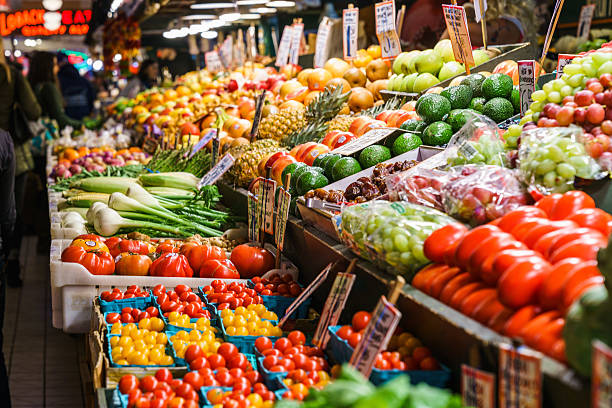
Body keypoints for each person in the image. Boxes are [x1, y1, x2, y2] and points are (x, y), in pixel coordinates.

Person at [0, 41, 41, 407]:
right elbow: (33, 109)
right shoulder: (11, 74)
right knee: (8, 208)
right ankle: (11, 259)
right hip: (5, 148)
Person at [28, 51, 82, 130]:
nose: (57, 68)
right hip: (49, 134)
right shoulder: (48, 87)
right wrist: (80, 125)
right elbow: (59, 117)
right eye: (55, 65)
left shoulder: (33, 86)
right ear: (47, 67)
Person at [56, 52, 95, 120]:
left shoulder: (58, 80)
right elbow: (91, 95)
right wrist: (90, 110)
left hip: (67, 116)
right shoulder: (83, 80)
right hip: (84, 112)